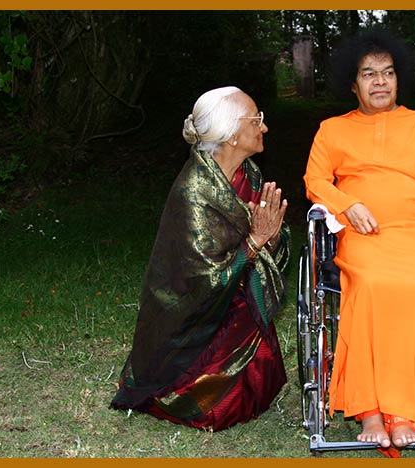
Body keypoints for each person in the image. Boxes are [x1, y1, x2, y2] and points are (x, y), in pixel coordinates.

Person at [303, 30, 415, 453]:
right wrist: (347, 205)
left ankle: (403, 413)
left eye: (388, 73)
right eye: (369, 74)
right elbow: (315, 181)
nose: (380, 82)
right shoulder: (332, 130)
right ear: (353, 83)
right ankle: (370, 412)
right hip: (364, 234)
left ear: (398, 79)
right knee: (370, 283)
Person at [111, 86, 290, 431]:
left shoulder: (248, 173)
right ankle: (194, 390)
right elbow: (205, 285)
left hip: (232, 294)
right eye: (257, 120)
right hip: (190, 320)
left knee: (247, 305)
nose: (264, 127)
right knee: (218, 409)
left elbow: (261, 244)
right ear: (233, 135)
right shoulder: (193, 193)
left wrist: (272, 235)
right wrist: (255, 240)